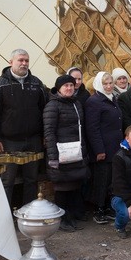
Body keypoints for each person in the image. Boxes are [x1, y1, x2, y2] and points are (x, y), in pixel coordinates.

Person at [0, 49, 47, 208]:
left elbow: (44, 110)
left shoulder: (36, 83)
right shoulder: (0, 84)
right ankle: (5, 217)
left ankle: (29, 213)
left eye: (26, 60)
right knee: (8, 180)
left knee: (31, 180)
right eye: (20, 60)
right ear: (10, 62)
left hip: (33, 140)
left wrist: (45, 135)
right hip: (10, 142)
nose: (24, 63)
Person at [43, 75, 89, 232]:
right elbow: (49, 132)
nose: (69, 88)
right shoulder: (52, 106)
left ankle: (71, 215)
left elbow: (81, 129)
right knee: (61, 187)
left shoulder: (76, 103)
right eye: (65, 86)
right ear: (59, 88)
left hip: (75, 151)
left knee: (73, 184)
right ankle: (61, 219)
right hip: (61, 152)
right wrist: (53, 156)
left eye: (71, 85)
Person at [85, 71, 123, 224]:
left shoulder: (112, 98)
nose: (108, 86)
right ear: (99, 84)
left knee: (110, 180)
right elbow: (92, 128)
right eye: (105, 83)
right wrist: (99, 150)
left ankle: (108, 207)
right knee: (101, 180)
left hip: (114, 146)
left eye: (110, 83)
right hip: (103, 148)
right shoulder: (94, 101)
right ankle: (98, 209)